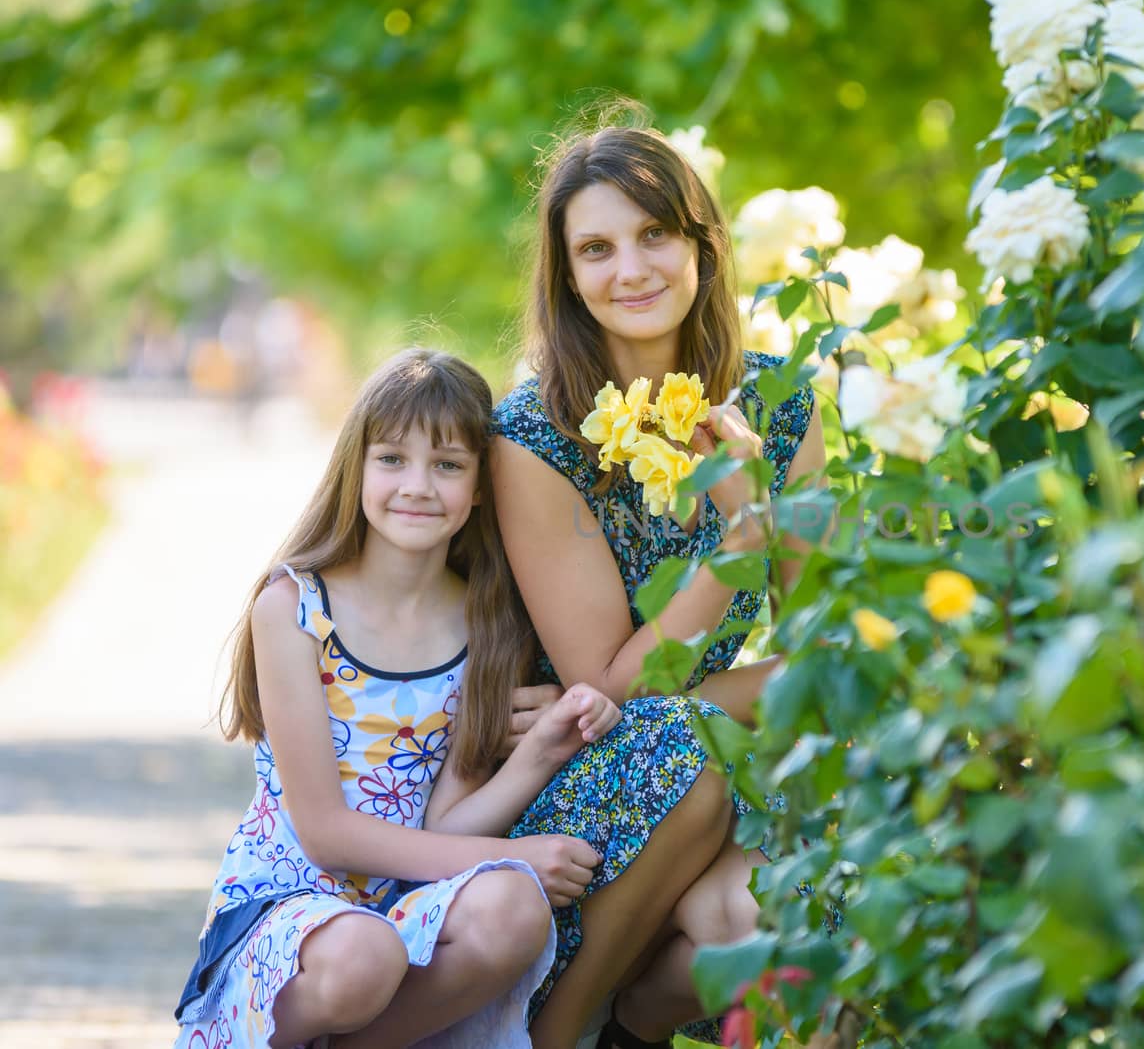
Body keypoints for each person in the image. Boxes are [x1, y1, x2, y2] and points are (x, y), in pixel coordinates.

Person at [492, 113, 825, 1048]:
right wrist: (745, 532)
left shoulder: (782, 405)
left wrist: (723, 697)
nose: (631, 269)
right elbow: (609, 689)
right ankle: (556, 1029)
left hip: (707, 748)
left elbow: (834, 649)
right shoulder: (536, 436)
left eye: (654, 234)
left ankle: (633, 1025)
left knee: (774, 916)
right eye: (596, 248)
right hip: (592, 778)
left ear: (701, 245)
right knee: (677, 751)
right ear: (565, 276)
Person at [175, 349, 619, 1048]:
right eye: (392, 459)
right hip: (288, 902)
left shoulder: (488, 623)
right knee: (365, 955)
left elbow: (446, 822)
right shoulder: (294, 607)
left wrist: (541, 748)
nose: (417, 485)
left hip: (409, 900)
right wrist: (510, 853)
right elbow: (325, 831)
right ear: (357, 467)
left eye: (447, 464)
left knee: (514, 907)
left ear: (479, 485)